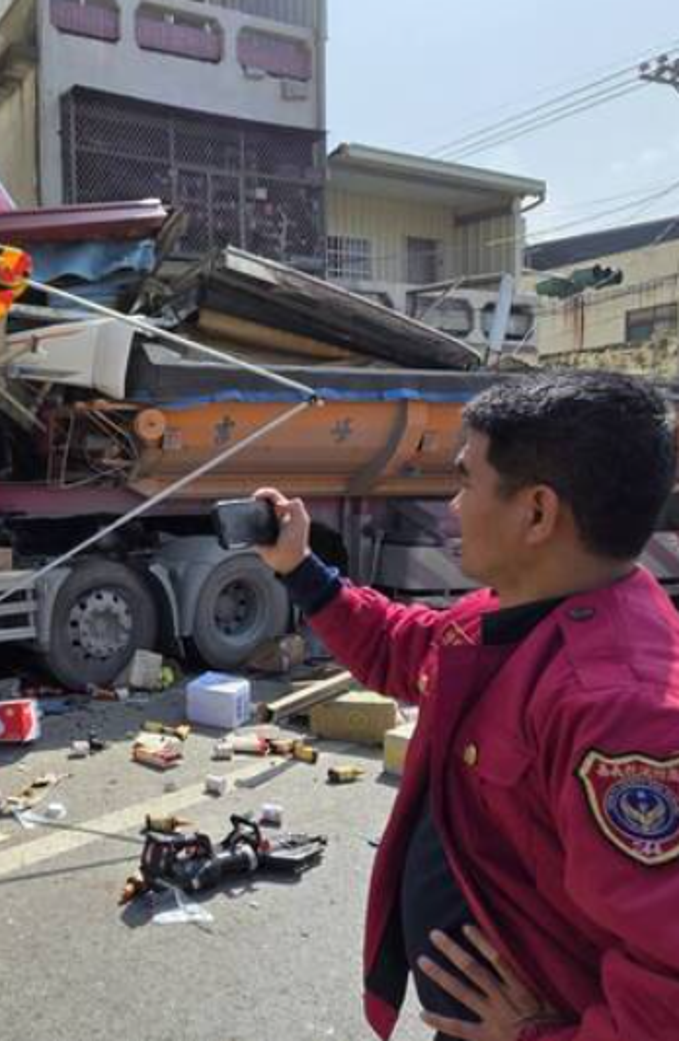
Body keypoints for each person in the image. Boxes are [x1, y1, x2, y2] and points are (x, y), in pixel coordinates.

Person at [254, 370, 679, 1041]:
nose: (451, 507)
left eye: (465, 482)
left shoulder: (621, 709)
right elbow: (401, 648)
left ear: (536, 512)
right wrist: (300, 568)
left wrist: (533, 1036)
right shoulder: (512, 611)